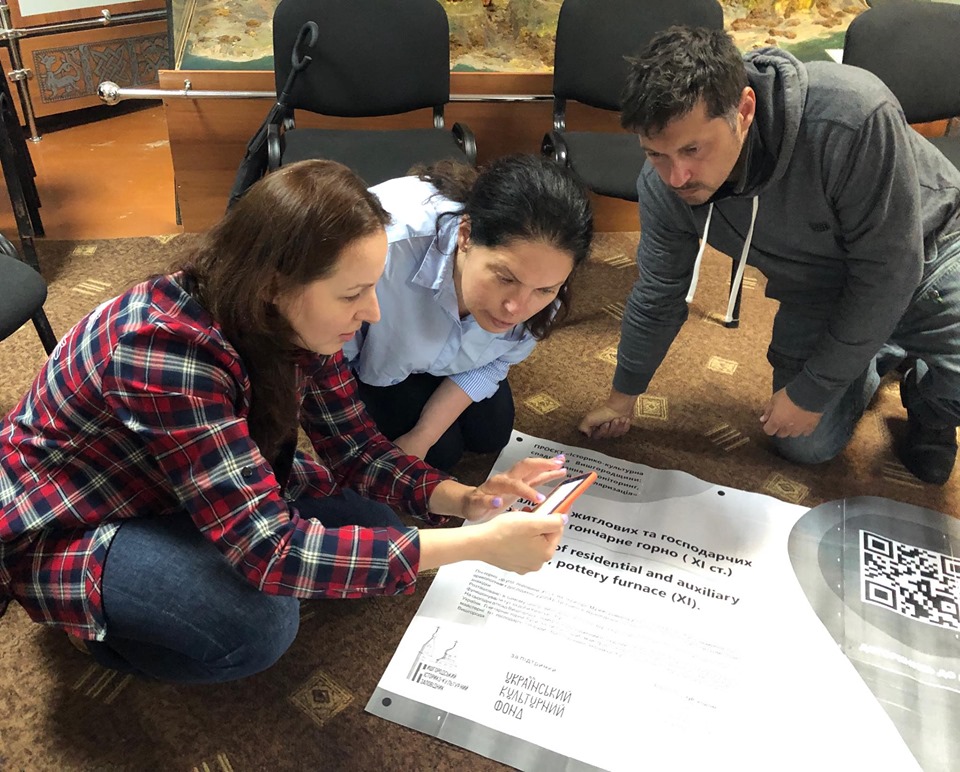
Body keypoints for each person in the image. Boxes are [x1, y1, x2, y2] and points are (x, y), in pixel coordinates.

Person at [0, 160, 571, 685]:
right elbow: (270, 551)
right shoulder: (164, 354)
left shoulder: (281, 313)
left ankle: (186, 549)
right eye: (354, 293)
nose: (372, 311)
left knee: (373, 526)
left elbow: (356, 448)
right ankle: (96, 629)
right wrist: (475, 545)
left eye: (373, 287)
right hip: (81, 514)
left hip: (178, 478)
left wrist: (467, 501)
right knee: (260, 627)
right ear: (276, 284)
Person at [579, 26, 960, 485]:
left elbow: (889, 272)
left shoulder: (852, 116)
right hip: (819, 284)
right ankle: (877, 344)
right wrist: (622, 398)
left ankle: (933, 407)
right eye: (656, 154)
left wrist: (816, 388)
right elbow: (658, 295)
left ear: (743, 110)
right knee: (804, 444)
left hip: (931, 248)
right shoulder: (663, 186)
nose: (677, 177)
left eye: (692, 149)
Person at [344, 155, 593, 471]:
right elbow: (327, 361)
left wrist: (424, 434)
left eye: (544, 290)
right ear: (465, 236)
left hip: (444, 357)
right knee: (441, 456)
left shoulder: (548, 278)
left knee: (491, 434)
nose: (516, 309)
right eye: (505, 278)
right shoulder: (386, 251)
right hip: (375, 362)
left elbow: (496, 361)